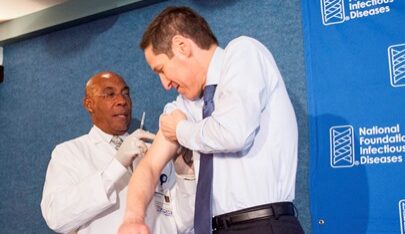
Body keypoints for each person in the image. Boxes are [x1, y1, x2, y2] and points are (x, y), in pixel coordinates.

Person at [119, 6, 304, 234]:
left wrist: (181, 130)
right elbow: (149, 167)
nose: (165, 84)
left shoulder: (243, 53)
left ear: (182, 46)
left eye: (162, 70)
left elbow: (234, 134)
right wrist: (133, 219)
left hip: (263, 224)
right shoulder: (183, 106)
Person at [40, 71, 196, 234]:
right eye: (110, 95)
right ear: (89, 104)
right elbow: (56, 217)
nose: (122, 101)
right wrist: (117, 165)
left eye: (125, 94)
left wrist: (185, 176)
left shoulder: (154, 153)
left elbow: (183, 223)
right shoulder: (69, 153)